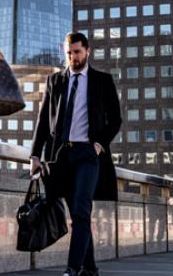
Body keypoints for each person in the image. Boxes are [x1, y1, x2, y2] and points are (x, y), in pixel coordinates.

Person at [30, 32, 122, 276]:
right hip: (61, 156)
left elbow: (116, 119)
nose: (73, 57)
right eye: (69, 53)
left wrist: (99, 144)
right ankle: (90, 269)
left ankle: (72, 269)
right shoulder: (55, 81)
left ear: (87, 51)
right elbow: (42, 121)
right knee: (77, 213)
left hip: (87, 155)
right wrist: (35, 156)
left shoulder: (102, 81)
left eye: (77, 52)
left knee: (81, 210)